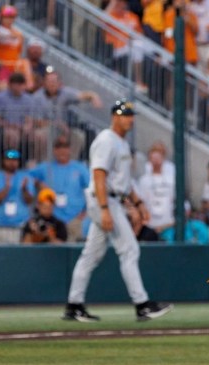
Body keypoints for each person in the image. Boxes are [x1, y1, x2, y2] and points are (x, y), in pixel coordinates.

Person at [64, 100, 173, 322]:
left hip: (112, 199)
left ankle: (73, 305)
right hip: (103, 200)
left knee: (90, 256)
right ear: (115, 116)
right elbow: (99, 175)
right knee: (130, 250)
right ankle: (142, 305)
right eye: (125, 114)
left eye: (131, 115)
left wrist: (139, 203)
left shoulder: (121, 143)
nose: (130, 119)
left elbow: (124, 181)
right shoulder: (106, 140)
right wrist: (104, 209)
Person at [29, 136, 90, 242]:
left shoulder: (80, 168)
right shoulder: (45, 168)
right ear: (54, 150)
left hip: (74, 219)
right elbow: (26, 176)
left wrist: (86, 211)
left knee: (74, 252)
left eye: (65, 147)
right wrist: (38, 183)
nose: (62, 150)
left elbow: (92, 189)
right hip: (53, 220)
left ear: (70, 149)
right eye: (58, 147)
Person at [0, 149, 35, 244]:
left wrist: (24, 189)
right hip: (1, 226)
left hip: (21, 225)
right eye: (9, 159)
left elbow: (30, 201)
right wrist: (6, 189)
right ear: (3, 161)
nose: (12, 162)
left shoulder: (25, 177)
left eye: (15, 160)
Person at [138, 142, 175, 240]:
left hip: (169, 226)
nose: (156, 157)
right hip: (149, 226)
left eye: (159, 153)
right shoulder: (143, 180)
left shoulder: (172, 179)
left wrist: (168, 225)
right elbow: (140, 203)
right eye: (154, 153)